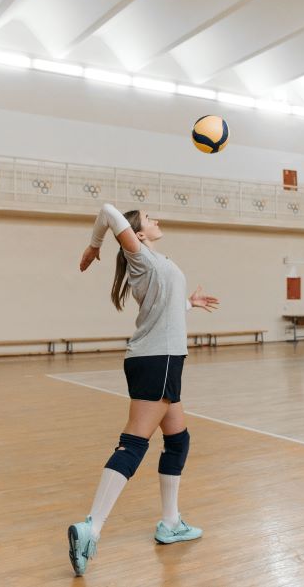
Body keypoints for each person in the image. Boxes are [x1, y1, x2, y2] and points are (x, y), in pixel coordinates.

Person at [68, 203, 219, 577]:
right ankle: (92, 527)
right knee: (134, 443)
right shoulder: (140, 258)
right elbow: (106, 210)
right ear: (136, 234)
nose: (157, 221)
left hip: (159, 359)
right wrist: (94, 245)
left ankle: (170, 524)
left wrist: (189, 303)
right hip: (160, 359)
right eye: (150, 219)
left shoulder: (151, 262)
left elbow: (162, 308)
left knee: (178, 439)